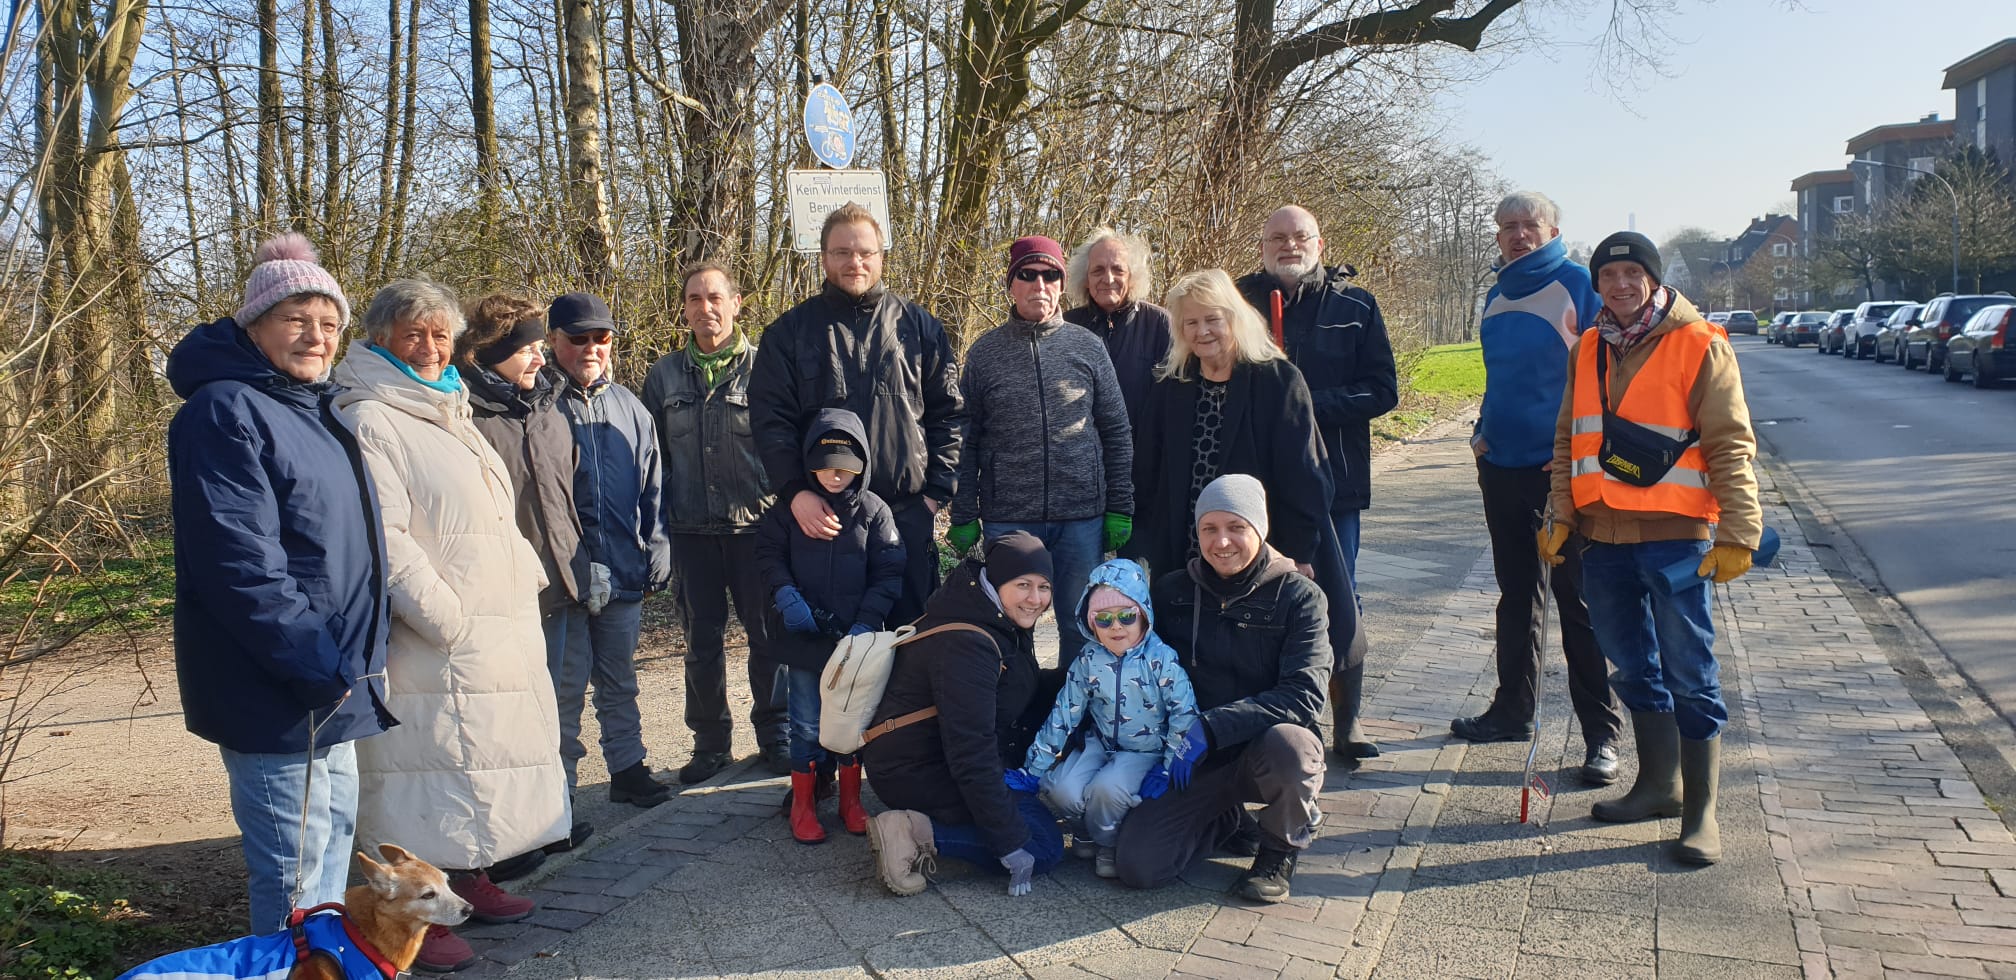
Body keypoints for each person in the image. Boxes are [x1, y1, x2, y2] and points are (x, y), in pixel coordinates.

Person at [330, 279, 568, 973]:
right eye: (414, 334)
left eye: (440, 335)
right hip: (432, 636)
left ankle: (465, 878)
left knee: (471, 763)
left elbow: (491, 513)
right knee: (424, 768)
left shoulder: (446, 406)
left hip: (490, 625)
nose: (430, 348)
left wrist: (525, 573)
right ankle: (412, 916)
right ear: (380, 339)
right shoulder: (373, 416)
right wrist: (445, 616)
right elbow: (387, 537)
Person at [165, 233, 395, 936]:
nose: (316, 336)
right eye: (296, 319)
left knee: (332, 854)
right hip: (280, 686)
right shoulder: (226, 410)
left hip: (333, 679)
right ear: (254, 325)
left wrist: (350, 663)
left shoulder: (314, 409)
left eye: (329, 323)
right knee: (296, 874)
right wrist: (313, 664)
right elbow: (240, 562)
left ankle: (320, 968)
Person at [1543, 232, 1762, 866]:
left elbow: (1729, 442)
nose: (1620, 285)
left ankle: (1702, 813)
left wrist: (1740, 532)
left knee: (1690, 672)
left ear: (1654, 279)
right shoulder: (1588, 347)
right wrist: (1561, 515)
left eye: (1632, 273)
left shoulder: (1700, 344)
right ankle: (1659, 786)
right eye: (1608, 275)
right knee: (1634, 668)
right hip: (1602, 539)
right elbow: (1568, 440)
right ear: (1597, 285)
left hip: (1676, 539)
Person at [1127, 269, 1367, 763]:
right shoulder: (1171, 385)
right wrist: (1144, 546)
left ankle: (1307, 732)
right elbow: (1147, 471)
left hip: (1266, 538)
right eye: (1190, 323)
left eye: (1212, 319)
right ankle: (1208, 735)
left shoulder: (1277, 379)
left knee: (1282, 634)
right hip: (1190, 538)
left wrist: (1298, 551)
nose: (1202, 332)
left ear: (1234, 317)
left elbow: (1307, 476)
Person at [1451, 192, 1626, 787]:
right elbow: (1501, 377)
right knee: (1516, 594)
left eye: (1530, 225)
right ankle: (1512, 711)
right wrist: (1481, 432)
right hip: (1500, 466)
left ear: (1552, 231)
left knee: (1578, 603)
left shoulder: (1579, 285)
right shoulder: (1496, 293)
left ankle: (1601, 735)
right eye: (1508, 226)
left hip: (1564, 473)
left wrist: (1581, 455)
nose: (1518, 234)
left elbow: (1609, 378)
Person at [1112, 476, 1330, 903]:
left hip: (1264, 750)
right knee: (1140, 866)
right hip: (1191, 757)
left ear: (1259, 529)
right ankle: (1225, 817)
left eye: (1236, 527)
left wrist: (1210, 728)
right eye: (1209, 529)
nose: (1222, 542)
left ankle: (1279, 850)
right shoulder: (1172, 591)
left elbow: (1304, 695)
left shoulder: (1301, 597)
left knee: (1295, 747)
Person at [750, 203, 964, 623]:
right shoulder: (788, 333)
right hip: (825, 521)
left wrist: (935, 495)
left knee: (912, 642)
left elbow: (951, 414)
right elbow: (770, 422)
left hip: (907, 515)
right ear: (824, 257)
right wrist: (796, 492)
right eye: (842, 252)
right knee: (833, 651)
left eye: (865, 252)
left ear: (881, 256)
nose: (855, 262)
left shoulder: (920, 328)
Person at [456, 292, 599, 857]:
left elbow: (570, 492)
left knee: (554, 710)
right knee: (504, 721)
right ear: (493, 353)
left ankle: (550, 818)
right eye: (529, 348)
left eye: (542, 346)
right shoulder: (467, 415)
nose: (542, 357)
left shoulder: (548, 406)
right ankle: (511, 836)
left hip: (561, 584)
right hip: (504, 596)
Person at [642, 262, 792, 784]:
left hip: (757, 531)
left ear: (736, 303)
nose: (705, 308)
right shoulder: (663, 376)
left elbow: (787, 448)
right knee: (699, 644)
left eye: (714, 297)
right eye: (694, 299)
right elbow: (652, 460)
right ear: (684, 309)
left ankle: (777, 734)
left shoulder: (768, 368)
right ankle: (710, 745)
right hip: (690, 533)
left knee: (769, 638)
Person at [859, 533, 1066, 898]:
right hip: (918, 771)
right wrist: (1008, 841)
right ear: (997, 581)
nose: (1035, 599)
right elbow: (970, 749)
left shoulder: (990, 613)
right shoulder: (967, 644)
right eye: (1023, 585)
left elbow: (1022, 687)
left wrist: (1087, 681)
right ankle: (911, 832)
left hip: (935, 754)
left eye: (1044, 587)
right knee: (1044, 845)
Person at [950, 235, 1134, 634]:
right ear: (1011, 285)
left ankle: (1077, 681)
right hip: (1008, 519)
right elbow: (966, 440)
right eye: (1027, 275)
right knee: (1009, 628)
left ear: (1062, 284)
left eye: (1050, 275)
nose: (1039, 285)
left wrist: (1120, 504)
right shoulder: (984, 354)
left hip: (1082, 518)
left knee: (1082, 625)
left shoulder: (1088, 347)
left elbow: (1116, 430)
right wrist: (964, 513)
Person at [546, 291, 675, 808]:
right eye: (578, 338)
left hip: (623, 567)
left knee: (620, 679)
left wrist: (657, 548)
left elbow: (653, 485)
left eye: (601, 338)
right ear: (554, 340)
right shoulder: (538, 406)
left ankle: (627, 768)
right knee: (565, 688)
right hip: (564, 577)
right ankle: (559, 792)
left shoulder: (631, 407)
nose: (591, 348)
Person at [754, 409, 906, 844]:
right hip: (804, 642)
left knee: (851, 724)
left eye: (844, 467)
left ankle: (850, 800)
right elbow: (767, 555)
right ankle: (803, 804)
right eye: (825, 466)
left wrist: (866, 622)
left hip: (855, 645)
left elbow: (890, 571)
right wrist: (784, 594)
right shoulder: (786, 513)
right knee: (804, 725)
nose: (835, 475)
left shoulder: (875, 512)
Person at [1236, 205, 1398, 582]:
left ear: (1320, 245)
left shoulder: (1356, 305)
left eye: (1300, 237)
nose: (1289, 245)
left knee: (1336, 595)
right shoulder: (1237, 303)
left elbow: (1382, 390)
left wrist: (1305, 407)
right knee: (1256, 592)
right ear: (1262, 247)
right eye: (1278, 238)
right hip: (1254, 480)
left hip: (1334, 480)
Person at [1012, 558, 1197, 880]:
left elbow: (1184, 713)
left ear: (1143, 614)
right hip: (1101, 743)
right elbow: (1064, 712)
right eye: (1103, 618)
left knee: (1107, 791)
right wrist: (1033, 768)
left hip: (1145, 750)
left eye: (1126, 616)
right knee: (1060, 788)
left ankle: (1109, 843)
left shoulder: (1161, 659)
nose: (1116, 627)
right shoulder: (1089, 659)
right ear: (1090, 622)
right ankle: (1087, 831)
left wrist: (1168, 766)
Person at [1064, 227, 1171, 425]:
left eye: (1118, 269)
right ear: (1086, 279)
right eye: (1098, 270)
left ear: (1132, 277)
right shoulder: (1066, 327)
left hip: (1143, 443)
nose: (1108, 279)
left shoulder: (1161, 325)